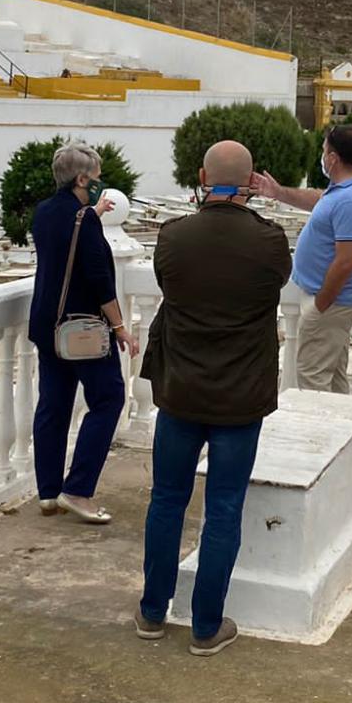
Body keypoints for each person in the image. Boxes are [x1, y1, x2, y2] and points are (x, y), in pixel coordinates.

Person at [139, 140, 293, 655]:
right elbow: (274, 287)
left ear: (203, 176)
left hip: (181, 389)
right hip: (240, 396)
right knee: (224, 508)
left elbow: (170, 288)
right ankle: (206, 627)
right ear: (252, 183)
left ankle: (152, 612)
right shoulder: (270, 243)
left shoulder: (173, 237)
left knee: (166, 500)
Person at [27, 141, 138, 524]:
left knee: (53, 405)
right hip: (84, 328)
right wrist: (121, 328)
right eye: (95, 176)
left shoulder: (44, 213)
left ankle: (48, 492)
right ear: (82, 177)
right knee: (109, 399)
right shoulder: (84, 220)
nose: (99, 181)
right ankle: (78, 489)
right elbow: (99, 280)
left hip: (47, 325)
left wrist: (92, 212)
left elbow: (64, 242)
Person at [249, 123, 352, 393]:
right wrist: (279, 192)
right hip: (331, 301)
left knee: (312, 380)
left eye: (324, 151)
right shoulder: (348, 187)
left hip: (330, 302)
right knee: (333, 379)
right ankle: (343, 434)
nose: (322, 156)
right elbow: (321, 202)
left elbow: (346, 261)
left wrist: (320, 305)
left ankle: (319, 435)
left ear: (333, 158)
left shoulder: (350, 200)